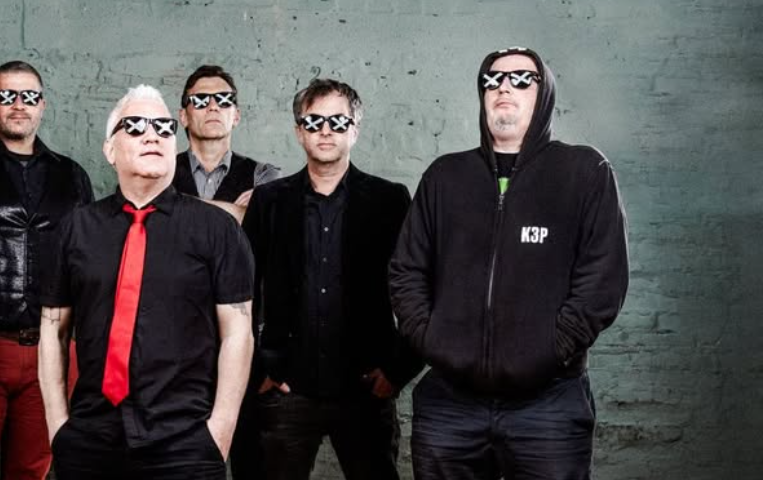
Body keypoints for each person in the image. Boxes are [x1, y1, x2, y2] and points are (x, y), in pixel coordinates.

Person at [389, 46, 629, 479]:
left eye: (521, 79)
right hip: (450, 405)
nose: (504, 87)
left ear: (545, 94)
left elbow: (602, 279)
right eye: (492, 80)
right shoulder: (445, 176)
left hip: (548, 404)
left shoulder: (584, 172)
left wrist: (552, 348)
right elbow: (406, 269)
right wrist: (430, 339)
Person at [37, 85, 254, 480]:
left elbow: (237, 332)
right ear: (110, 149)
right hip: (89, 439)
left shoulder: (217, 230)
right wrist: (58, 427)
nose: (152, 135)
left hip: (185, 440)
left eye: (164, 127)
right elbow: (53, 330)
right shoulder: (75, 229)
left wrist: (220, 431)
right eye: (135, 126)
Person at [244, 78, 422, 480]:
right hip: (287, 390)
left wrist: (398, 369)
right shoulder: (270, 202)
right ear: (299, 131)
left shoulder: (389, 200)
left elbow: (421, 288)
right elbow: (243, 292)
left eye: (338, 122)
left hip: (366, 389)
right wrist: (259, 370)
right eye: (314, 121)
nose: (326, 130)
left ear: (354, 130)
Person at [0, 60, 94, 480]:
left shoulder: (71, 174)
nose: (18, 105)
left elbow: (88, 260)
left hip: (52, 349)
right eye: (7, 96)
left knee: (32, 469)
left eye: (29, 96)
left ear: (42, 105)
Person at [173, 65, 281, 223]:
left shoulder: (263, 175)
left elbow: (266, 225)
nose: (213, 107)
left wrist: (172, 203)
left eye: (224, 99)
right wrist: (238, 212)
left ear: (236, 116)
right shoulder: (161, 171)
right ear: (183, 117)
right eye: (200, 100)